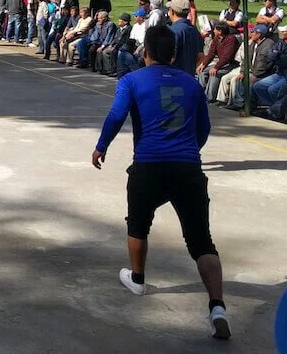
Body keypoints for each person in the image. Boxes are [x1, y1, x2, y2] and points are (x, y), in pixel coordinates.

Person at [92, 26, 230, 339]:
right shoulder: (192, 84)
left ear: (146, 53)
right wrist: (188, 150)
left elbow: (116, 116)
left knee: (138, 223)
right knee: (200, 240)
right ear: (173, 54)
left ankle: (138, 278)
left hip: (149, 165)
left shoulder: (131, 80)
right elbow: (204, 128)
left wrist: (102, 145)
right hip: (187, 167)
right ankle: (218, 306)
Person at [250, 23, 287, 110]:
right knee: (258, 86)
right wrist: (277, 56)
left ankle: (279, 109)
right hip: (279, 73)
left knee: (273, 89)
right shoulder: (280, 43)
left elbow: (286, 61)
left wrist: (277, 56)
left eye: (283, 31)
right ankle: (273, 107)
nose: (280, 33)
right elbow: (270, 55)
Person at [224, 24, 275, 110]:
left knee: (251, 83)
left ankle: (251, 105)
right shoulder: (253, 43)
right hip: (252, 70)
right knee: (238, 79)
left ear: (259, 34)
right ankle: (239, 103)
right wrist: (243, 72)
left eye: (253, 32)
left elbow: (263, 63)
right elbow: (246, 58)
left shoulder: (268, 45)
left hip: (263, 73)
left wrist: (255, 75)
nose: (251, 34)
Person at [197, 23, 239, 102]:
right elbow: (211, 53)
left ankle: (210, 97)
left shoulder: (231, 39)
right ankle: (201, 93)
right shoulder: (217, 39)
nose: (214, 31)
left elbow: (227, 57)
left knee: (214, 73)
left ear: (220, 31)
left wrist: (216, 67)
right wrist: (203, 64)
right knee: (201, 71)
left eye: (215, 30)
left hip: (230, 64)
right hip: (220, 63)